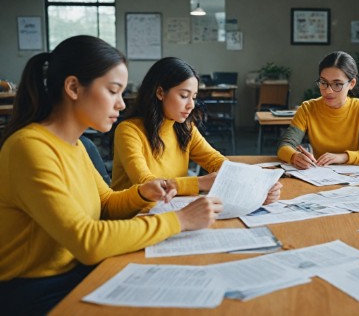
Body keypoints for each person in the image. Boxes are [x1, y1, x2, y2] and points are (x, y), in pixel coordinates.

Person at [0, 36, 223, 314]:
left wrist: (141, 193)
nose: (120, 104)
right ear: (73, 87)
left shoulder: (76, 145)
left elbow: (105, 204)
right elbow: (87, 241)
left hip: (78, 271)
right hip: (36, 290)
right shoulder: (29, 148)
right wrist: (180, 220)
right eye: (113, 91)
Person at [111, 57, 282, 201]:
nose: (191, 105)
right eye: (184, 96)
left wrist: (255, 187)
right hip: (134, 218)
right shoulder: (129, 131)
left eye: (193, 97)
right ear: (160, 93)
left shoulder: (184, 127)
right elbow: (147, 184)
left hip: (170, 208)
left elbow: (215, 161)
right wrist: (200, 183)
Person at [278, 51, 359, 168]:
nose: (328, 91)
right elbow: (285, 145)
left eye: (337, 84)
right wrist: (294, 156)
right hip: (318, 174)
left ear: (351, 83)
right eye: (323, 83)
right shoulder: (307, 108)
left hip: (353, 176)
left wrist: (342, 157)